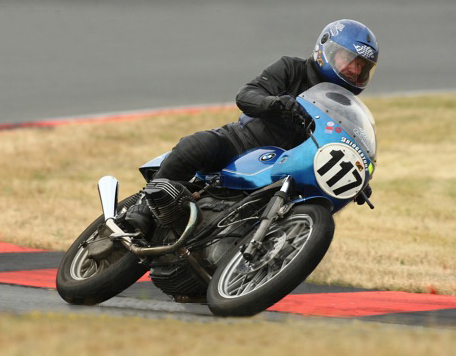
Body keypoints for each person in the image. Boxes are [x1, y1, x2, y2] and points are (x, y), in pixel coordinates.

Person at [126, 19, 379, 233]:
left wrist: (355, 175)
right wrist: (275, 103)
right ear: (328, 50)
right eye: (349, 60)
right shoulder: (292, 68)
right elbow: (246, 94)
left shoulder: (345, 108)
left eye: (361, 67)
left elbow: (346, 144)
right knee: (197, 145)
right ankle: (145, 207)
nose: (353, 70)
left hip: (287, 170)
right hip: (241, 143)